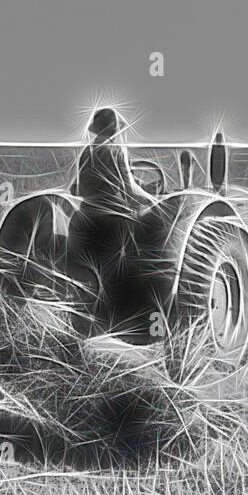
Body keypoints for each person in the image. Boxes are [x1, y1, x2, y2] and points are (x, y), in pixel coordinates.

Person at [68, 107, 156, 330]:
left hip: (86, 216)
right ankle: (124, 323)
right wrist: (153, 201)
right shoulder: (117, 149)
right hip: (112, 220)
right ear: (115, 129)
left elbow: (75, 189)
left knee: (86, 278)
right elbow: (130, 189)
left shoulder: (88, 151)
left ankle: (81, 323)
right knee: (128, 268)